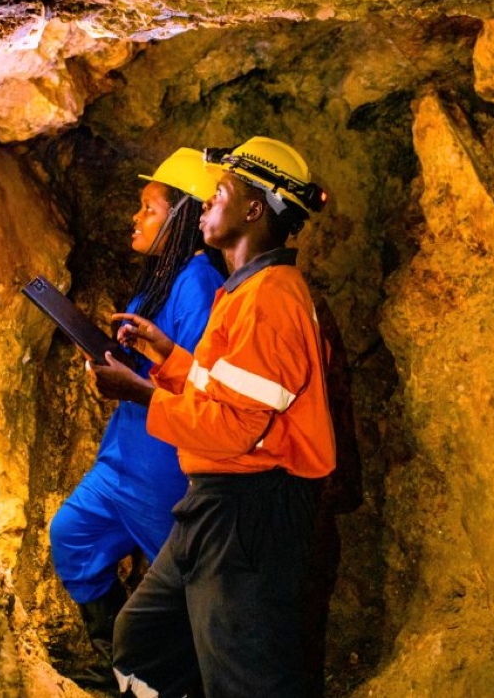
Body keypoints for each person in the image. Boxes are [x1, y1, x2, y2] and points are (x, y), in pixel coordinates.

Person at [92, 136, 336, 698]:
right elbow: (222, 393)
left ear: (254, 210)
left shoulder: (272, 300)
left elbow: (237, 430)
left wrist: (140, 395)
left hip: (251, 508)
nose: (205, 202)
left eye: (219, 192)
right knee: (145, 641)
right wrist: (166, 357)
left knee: (247, 676)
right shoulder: (244, 291)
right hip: (216, 500)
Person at [48, 148, 228, 690]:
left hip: (163, 470)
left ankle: (165, 679)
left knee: (181, 596)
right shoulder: (160, 281)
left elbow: (201, 388)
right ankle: (113, 661)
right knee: (73, 535)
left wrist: (134, 383)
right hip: (124, 456)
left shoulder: (196, 284)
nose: (135, 217)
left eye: (148, 208)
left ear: (180, 220)